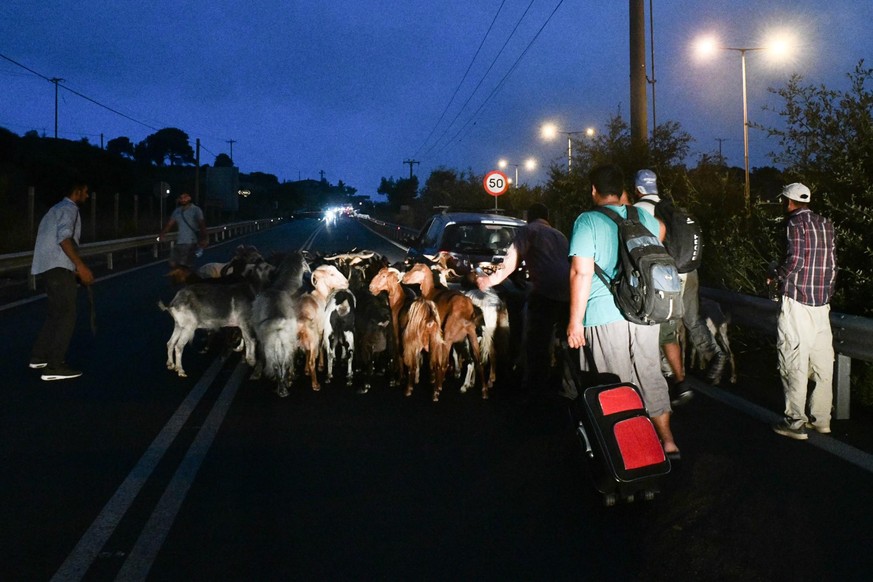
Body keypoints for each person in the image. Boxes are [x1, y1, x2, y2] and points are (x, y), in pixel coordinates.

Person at [566, 164, 680, 459]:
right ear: (623, 191)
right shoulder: (642, 216)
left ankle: (631, 449)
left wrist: (575, 323)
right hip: (645, 311)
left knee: (616, 380)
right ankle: (667, 442)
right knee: (650, 373)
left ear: (593, 190)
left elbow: (581, 273)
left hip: (604, 315)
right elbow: (661, 234)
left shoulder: (587, 221)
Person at [633, 169, 729, 405]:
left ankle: (668, 376)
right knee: (692, 319)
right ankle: (715, 354)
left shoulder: (639, 211)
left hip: (666, 275)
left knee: (665, 326)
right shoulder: (670, 207)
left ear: (637, 189)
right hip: (690, 270)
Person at [477, 203, 570, 397]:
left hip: (544, 292)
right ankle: (560, 382)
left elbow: (510, 262)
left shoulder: (528, 231)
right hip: (569, 294)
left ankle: (534, 390)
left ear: (529, 217)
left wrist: (488, 280)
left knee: (537, 342)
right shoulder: (559, 235)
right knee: (563, 342)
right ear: (547, 217)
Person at [769, 183, 837, 440]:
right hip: (822, 304)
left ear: (788, 202)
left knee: (793, 359)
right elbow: (832, 264)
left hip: (797, 302)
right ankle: (822, 419)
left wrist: (775, 275)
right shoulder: (826, 223)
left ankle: (795, 421)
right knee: (822, 364)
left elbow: (795, 260)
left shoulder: (794, 225)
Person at [30, 179, 95, 381]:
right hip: (58, 267)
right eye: (85, 192)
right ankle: (55, 366)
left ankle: (39, 356)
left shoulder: (54, 209)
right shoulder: (69, 209)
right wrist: (80, 266)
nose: (87, 196)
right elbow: (64, 238)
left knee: (55, 314)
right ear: (77, 191)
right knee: (68, 314)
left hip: (47, 267)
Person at [157, 192, 207, 271]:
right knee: (172, 263)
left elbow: (202, 224)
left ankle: (188, 280)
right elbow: (170, 224)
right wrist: (162, 233)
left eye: (185, 197)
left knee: (185, 264)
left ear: (189, 198)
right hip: (180, 241)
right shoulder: (177, 211)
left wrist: (204, 238)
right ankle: (180, 278)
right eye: (181, 198)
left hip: (191, 241)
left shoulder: (196, 210)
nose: (183, 199)